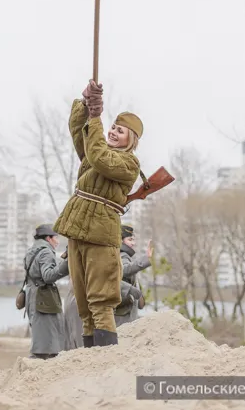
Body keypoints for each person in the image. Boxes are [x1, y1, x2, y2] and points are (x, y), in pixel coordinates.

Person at [53, 80, 144, 347]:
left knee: (101, 302)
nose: (114, 132)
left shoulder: (128, 164)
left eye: (121, 131)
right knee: (83, 304)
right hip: (78, 231)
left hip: (101, 236)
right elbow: (79, 134)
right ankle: (90, 359)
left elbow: (100, 157)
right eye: (113, 127)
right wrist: (85, 105)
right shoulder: (94, 154)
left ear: (132, 141)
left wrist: (96, 119)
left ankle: (106, 360)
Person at [23, 224, 70, 359]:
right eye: (56, 238)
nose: (58, 241)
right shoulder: (45, 252)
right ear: (49, 238)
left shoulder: (32, 250)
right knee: (47, 341)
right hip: (43, 299)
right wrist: (67, 264)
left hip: (33, 295)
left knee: (41, 336)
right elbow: (48, 276)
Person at [114, 224, 152, 327]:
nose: (133, 243)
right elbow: (124, 270)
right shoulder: (121, 255)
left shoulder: (123, 256)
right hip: (122, 315)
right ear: (121, 241)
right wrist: (146, 259)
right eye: (130, 240)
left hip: (125, 313)